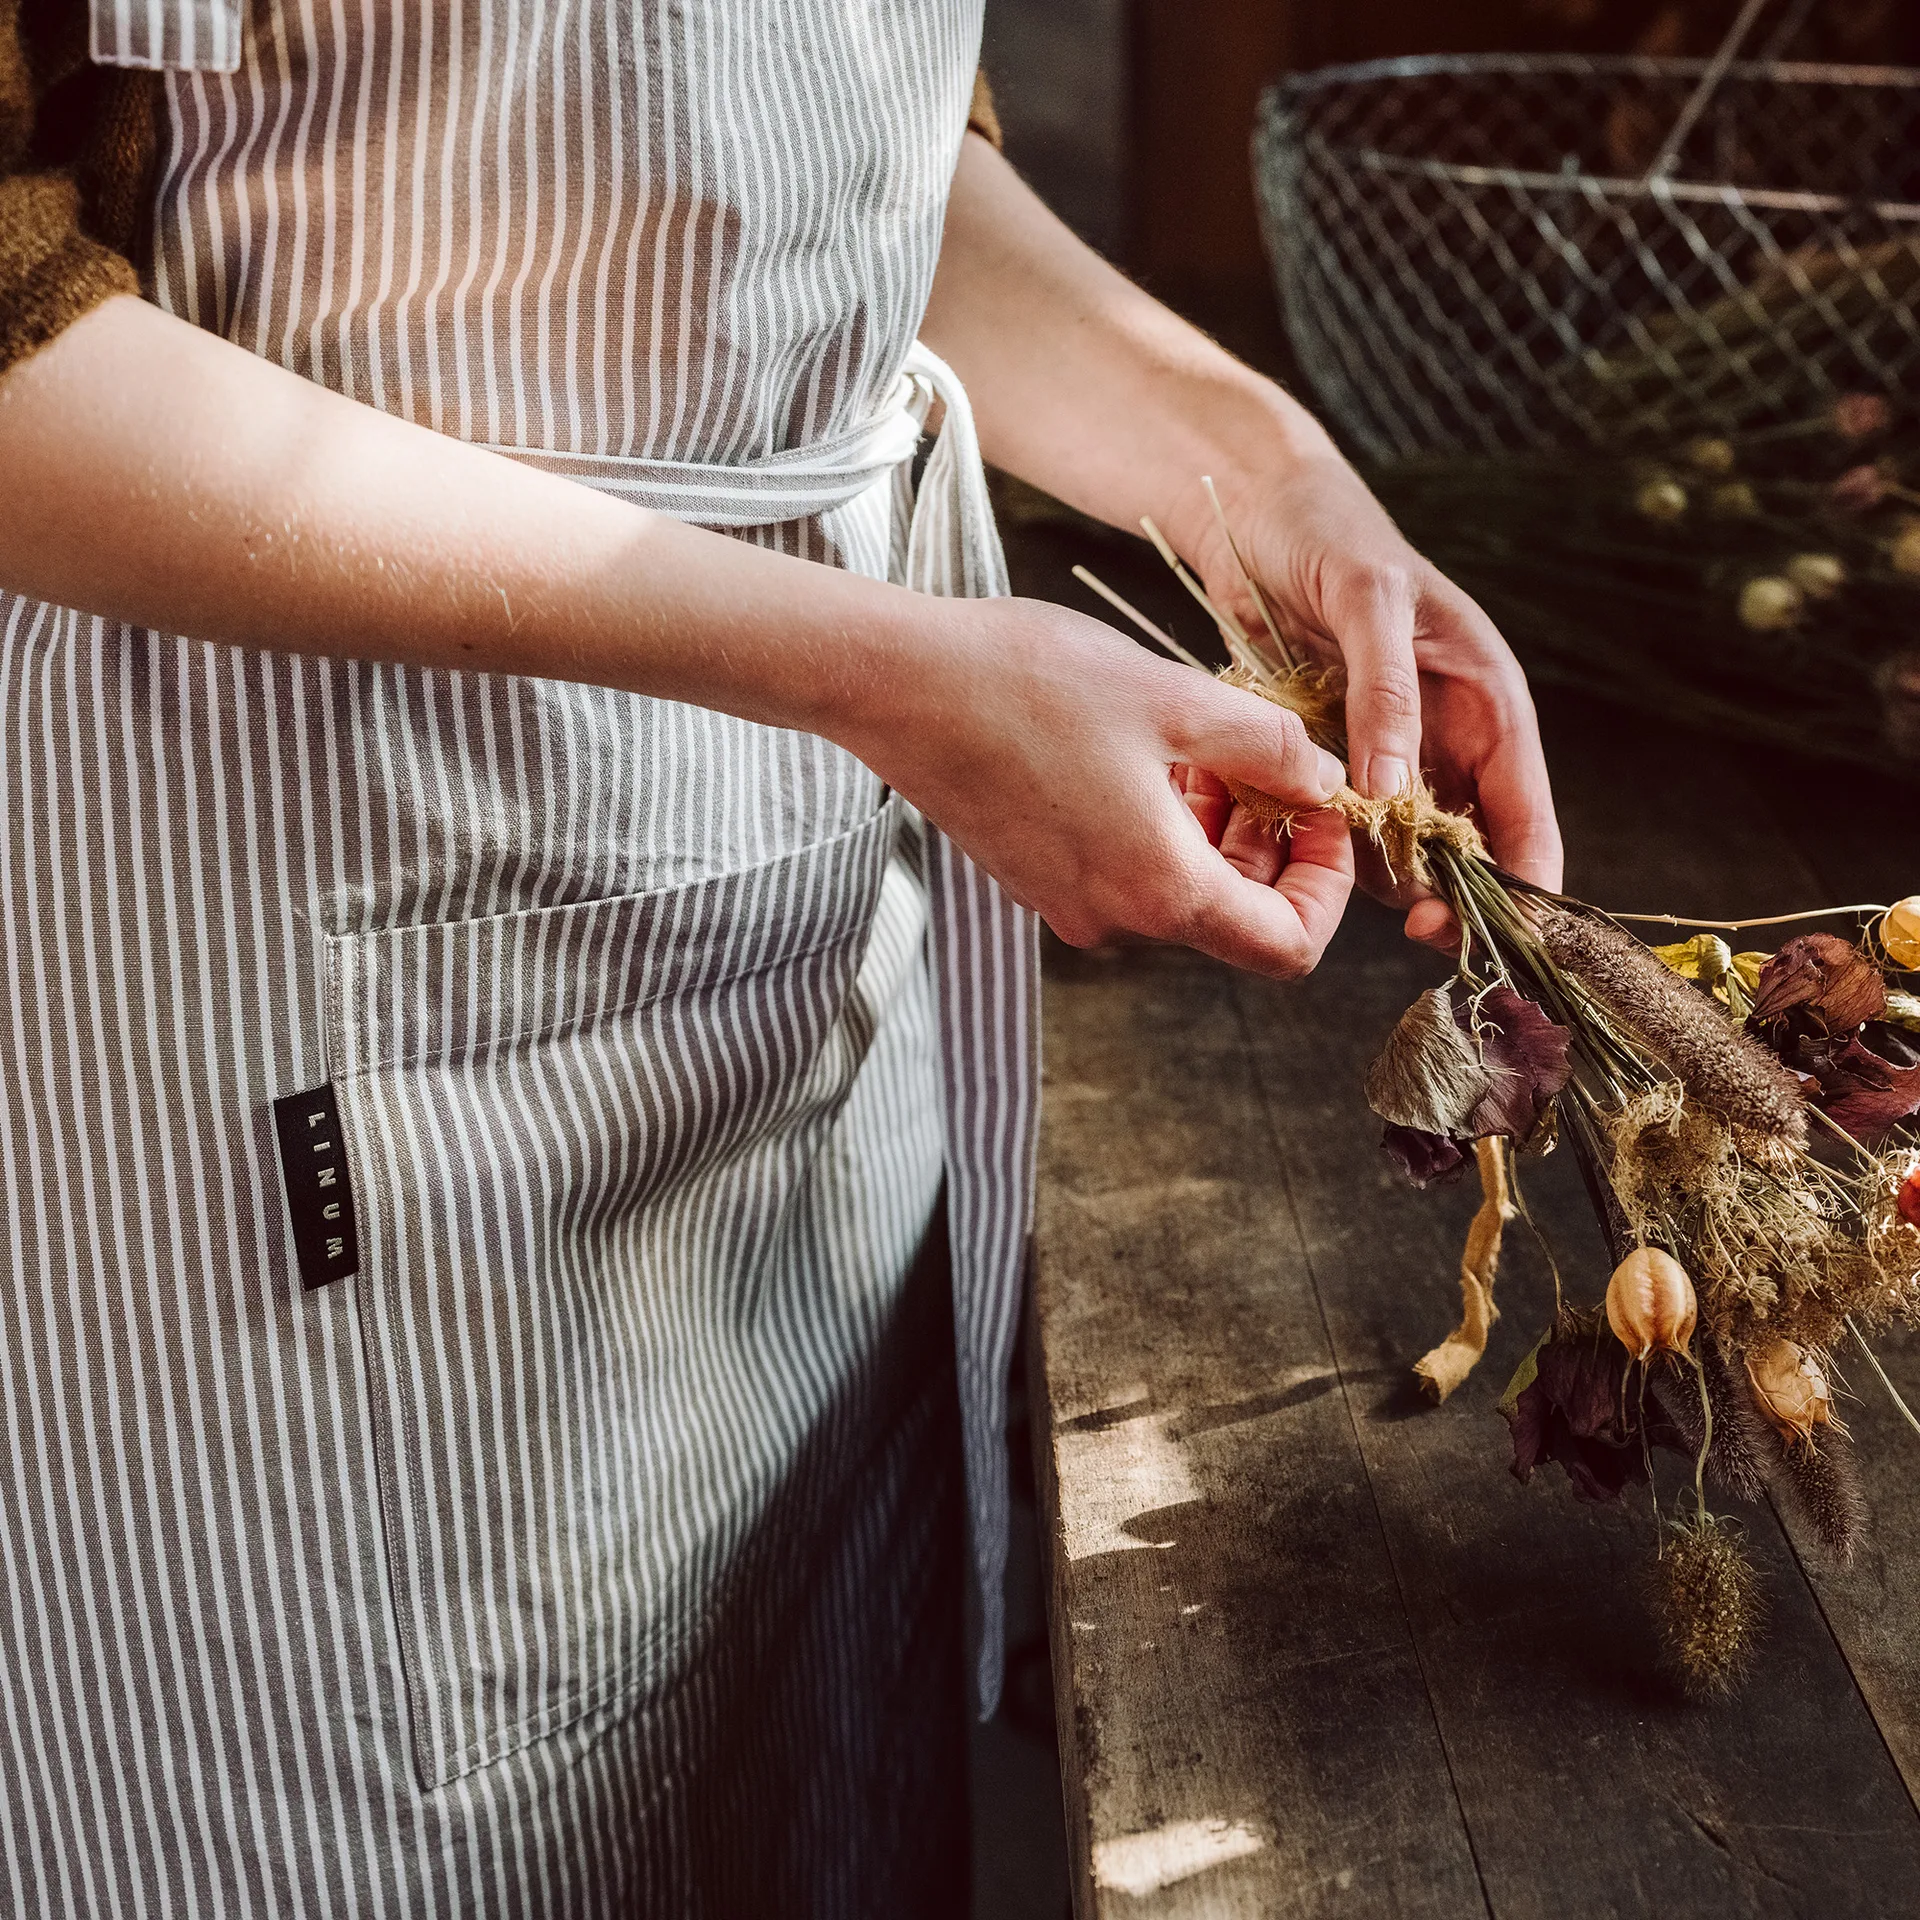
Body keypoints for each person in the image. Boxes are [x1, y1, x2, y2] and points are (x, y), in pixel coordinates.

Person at [0, 3, 1561, 1913]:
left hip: (813, 925)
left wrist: (1257, 476)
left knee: (784, 1776)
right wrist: (879, 676)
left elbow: (827, 155)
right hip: (320, 907)